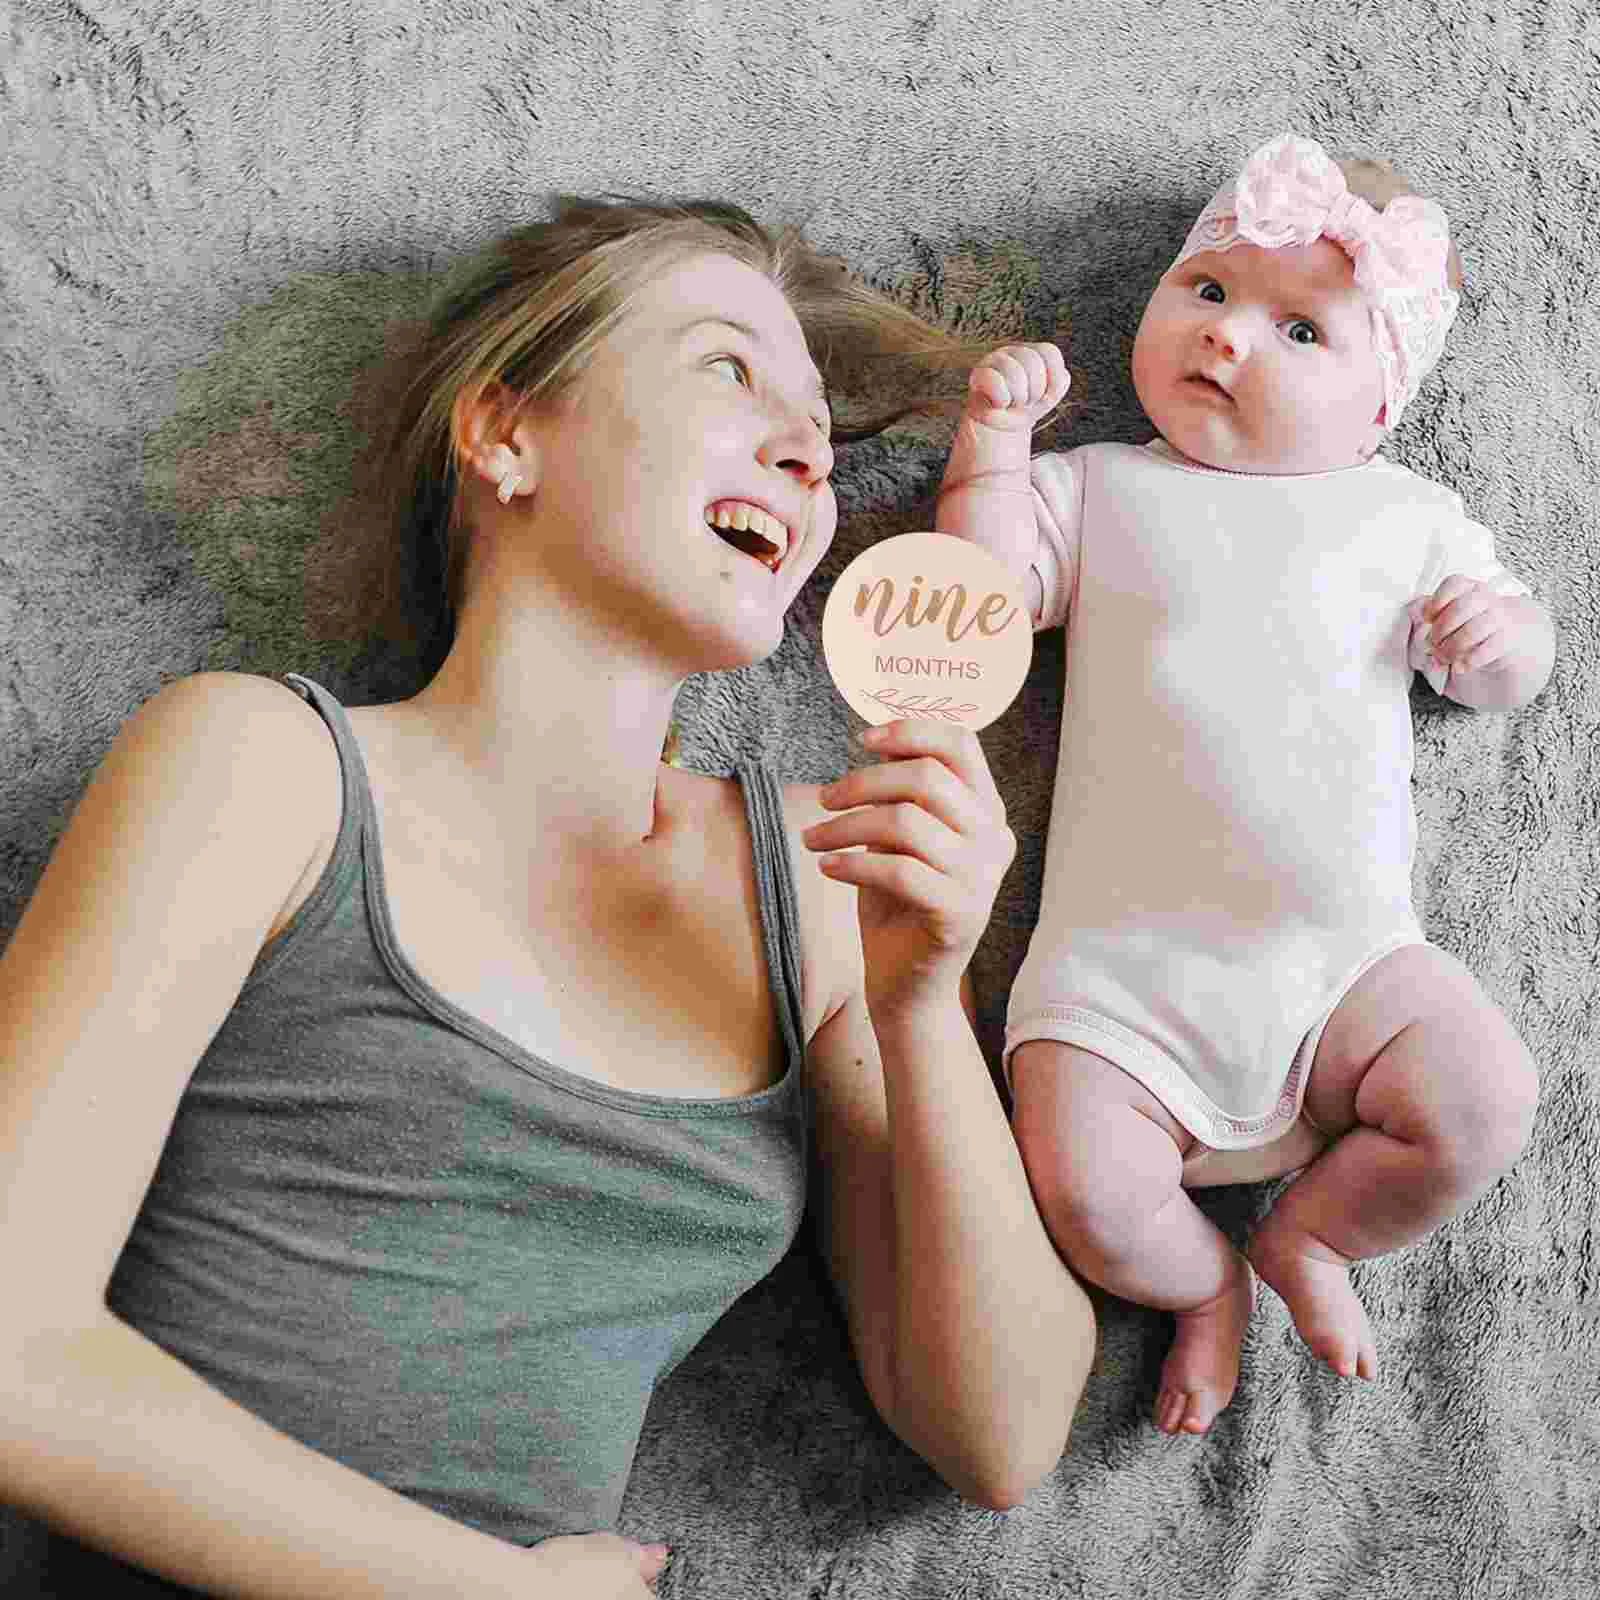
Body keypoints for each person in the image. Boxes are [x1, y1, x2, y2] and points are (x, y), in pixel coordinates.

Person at [0, 196, 1094, 1597]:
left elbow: (1000, 1436)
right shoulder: (262, 772)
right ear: (504, 434)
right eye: (726, 369)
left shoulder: (820, 888)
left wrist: (922, 1004)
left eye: (820, 422)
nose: (806, 447)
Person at [933, 134, 1552, 1439]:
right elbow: (974, 612)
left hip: (1346, 971)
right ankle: (1201, 1278)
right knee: (1088, 1192)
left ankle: (1311, 1240)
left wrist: (1500, 649)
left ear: (1383, 404)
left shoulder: (1407, 516)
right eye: (1206, 290)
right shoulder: (1103, 487)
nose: (1228, 339)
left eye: (1301, 331)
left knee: (1482, 1097)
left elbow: (1501, 658)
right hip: (1119, 982)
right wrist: (989, 452)